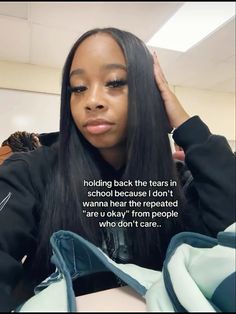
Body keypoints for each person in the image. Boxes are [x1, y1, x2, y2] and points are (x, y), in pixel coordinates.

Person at [0, 27, 235, 312]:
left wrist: (187, 127)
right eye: (78, 88)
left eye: (115, 82)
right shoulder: (31, 173)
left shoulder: (178, 181)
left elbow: (227, 243)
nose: (92, 100)